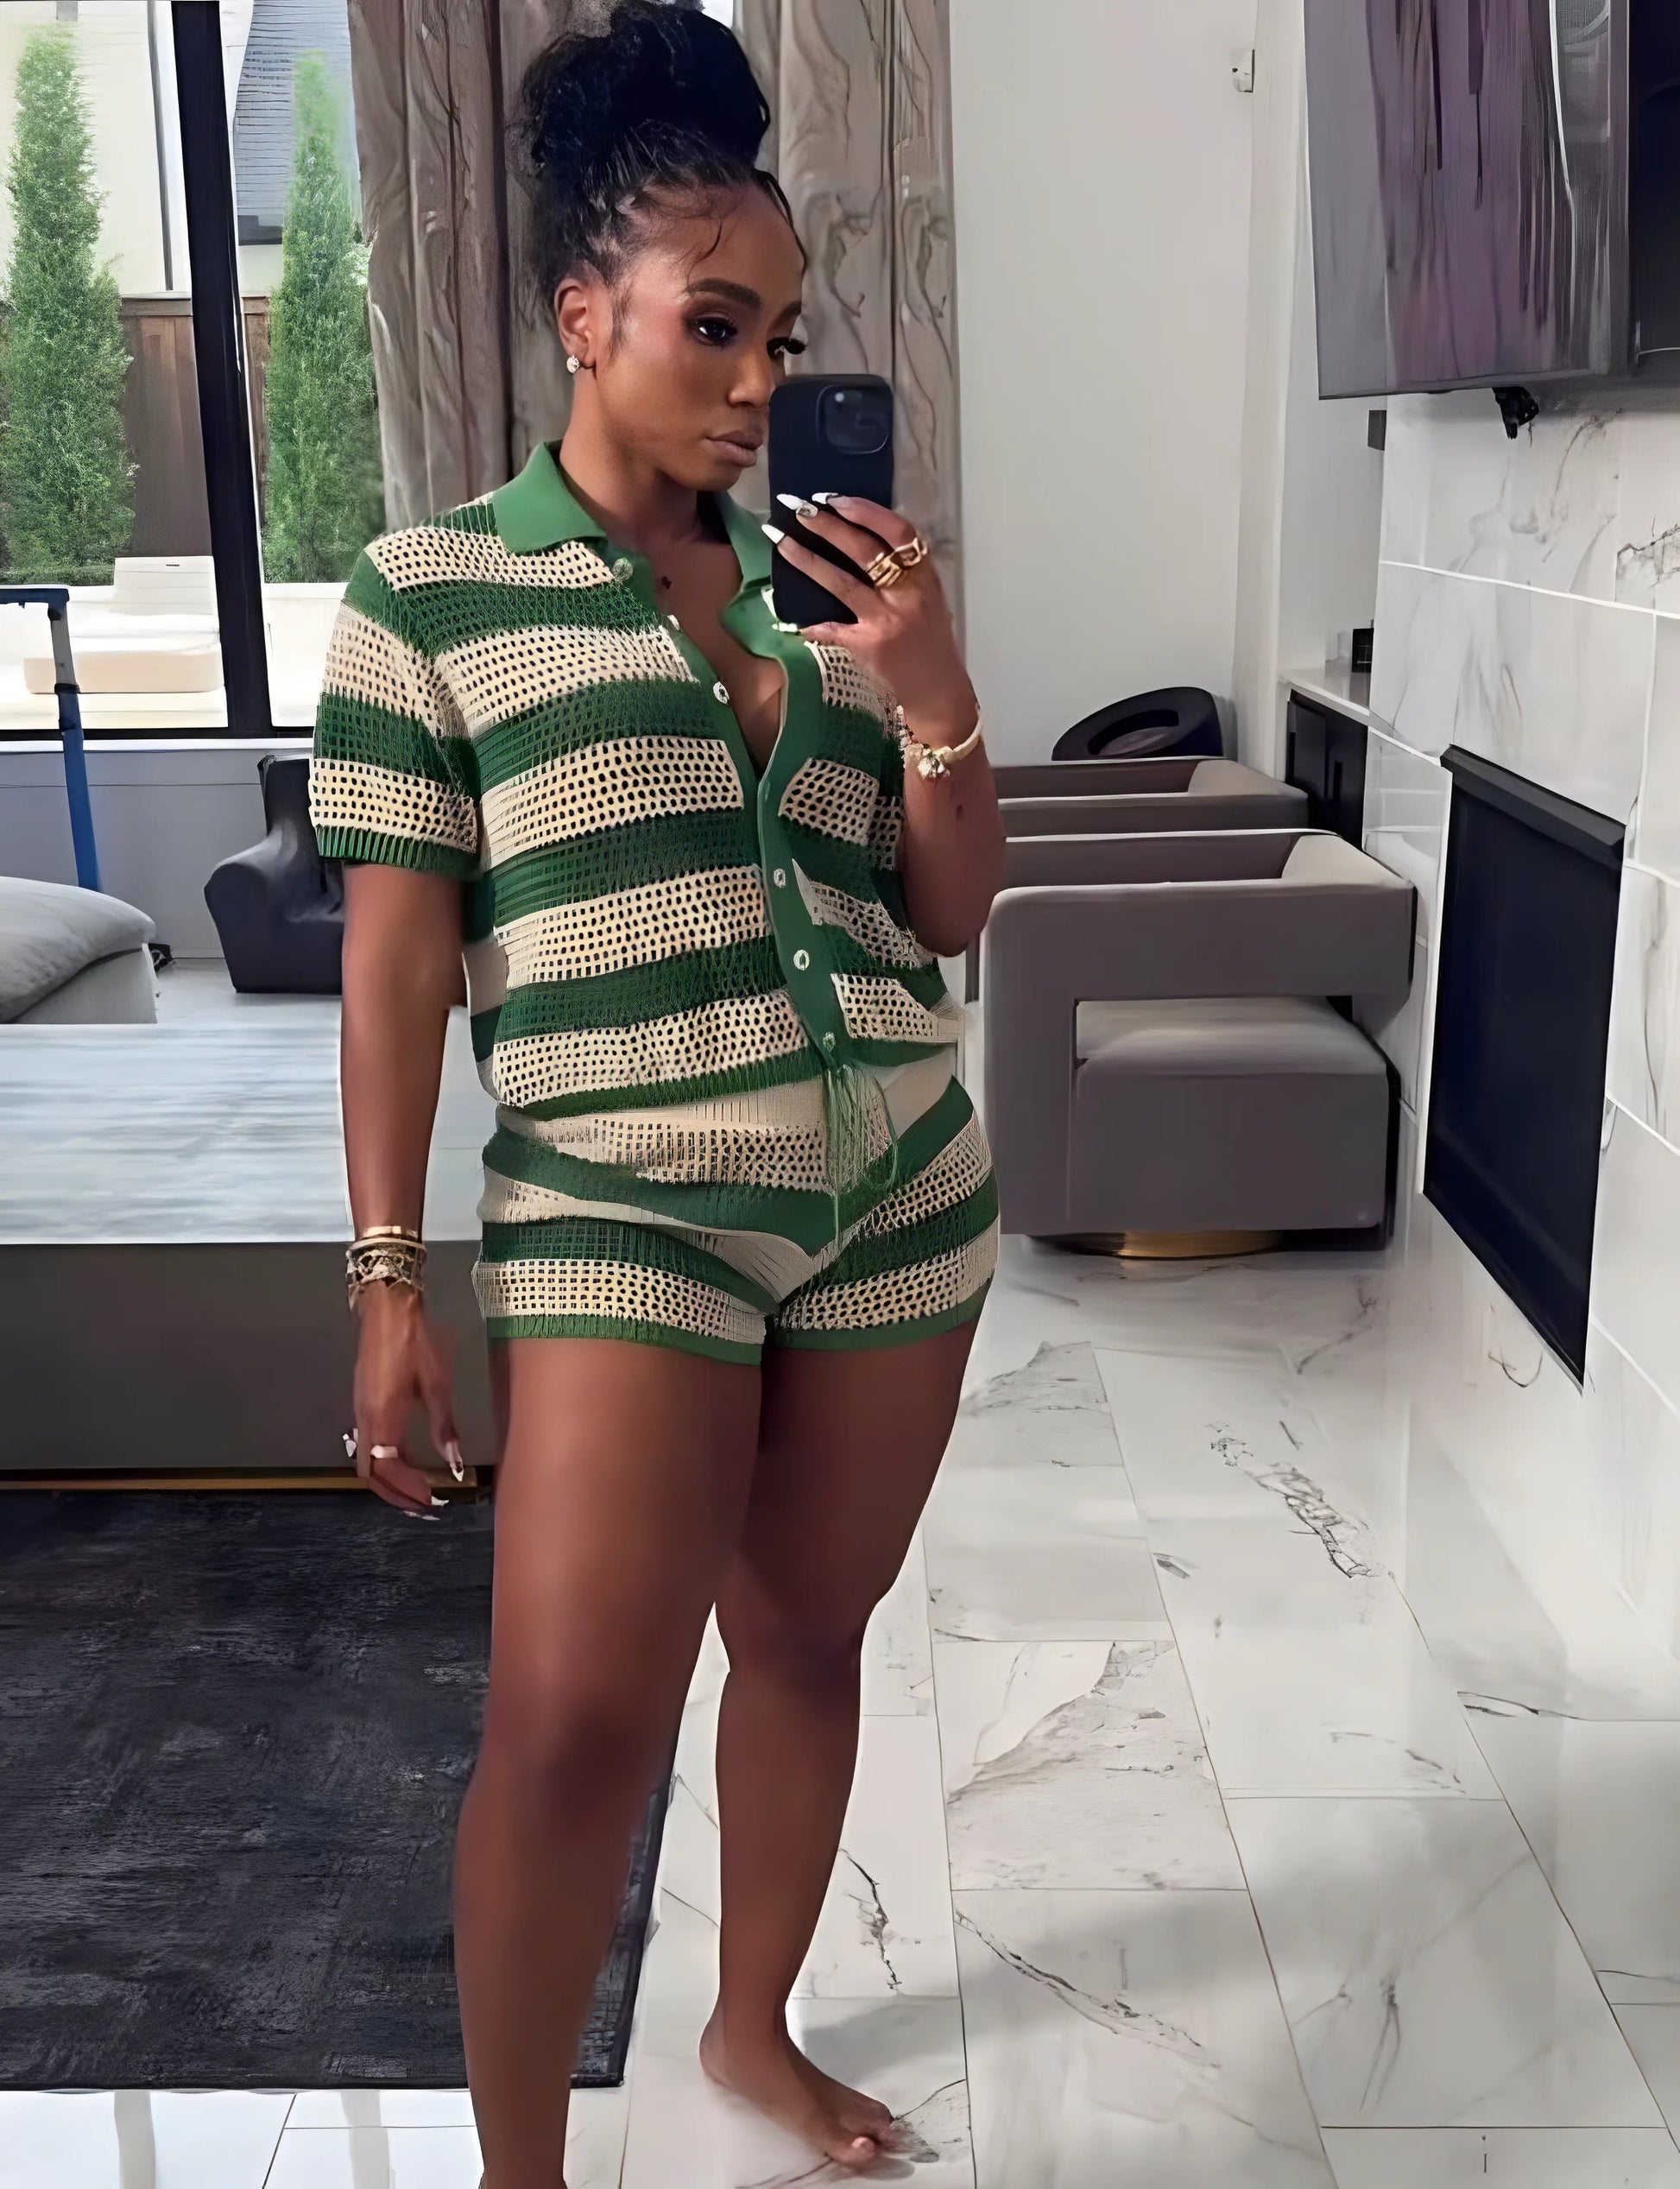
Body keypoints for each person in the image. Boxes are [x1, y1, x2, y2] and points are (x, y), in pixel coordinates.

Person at [309, 5, 1002, 2181]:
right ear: (579, 315)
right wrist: (389, 1273)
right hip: (623, 1209)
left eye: (781, 335)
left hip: (901, 1189)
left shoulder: (830, 594)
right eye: (713, 325)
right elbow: (395, 959)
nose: (759, 380)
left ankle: (747, 2025)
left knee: (802, 1632)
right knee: (569, 1724)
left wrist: (934, 695)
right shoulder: (428, 597)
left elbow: (945, 906)